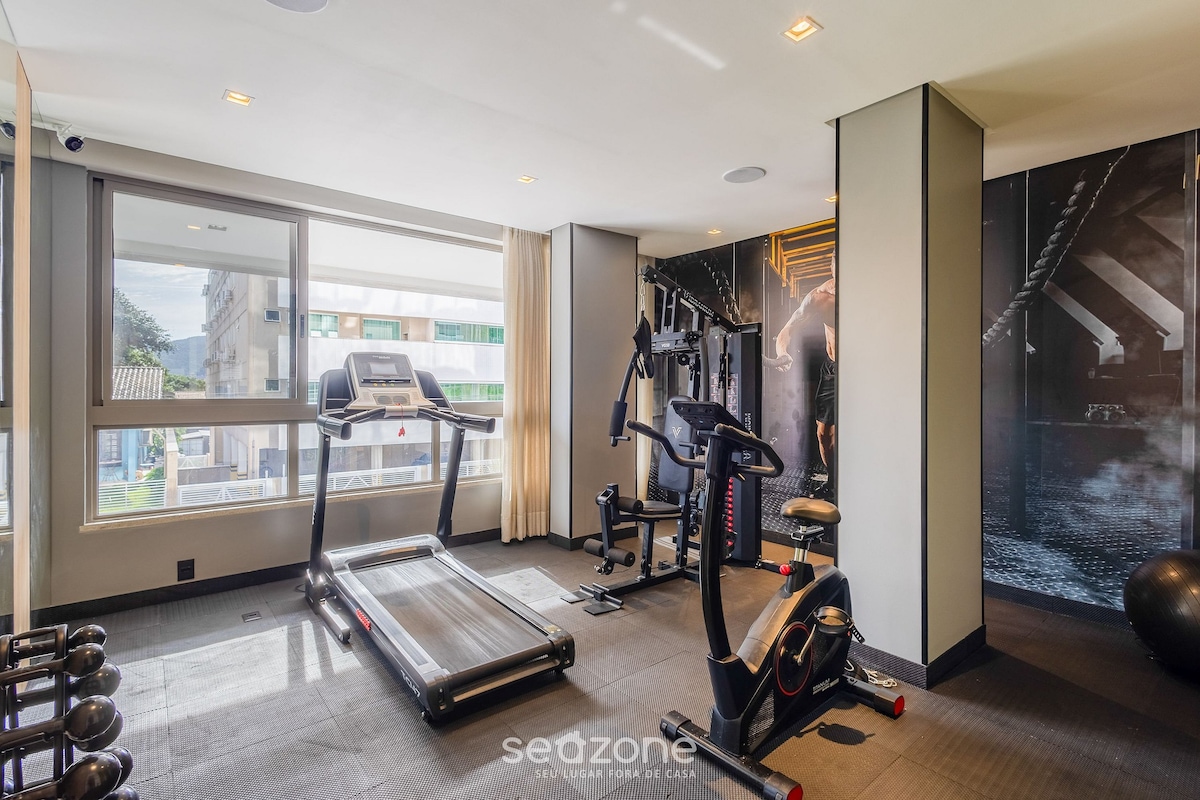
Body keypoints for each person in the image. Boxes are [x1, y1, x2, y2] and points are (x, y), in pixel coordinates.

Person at [768, 255, 836, 496]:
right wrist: (782, 352)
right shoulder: (820, 297)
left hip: (864, 367)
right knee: (824, 433)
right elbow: (788, 328)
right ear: (832, 267)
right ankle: (833, 482)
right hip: (833, 368)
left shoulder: (868, 294)